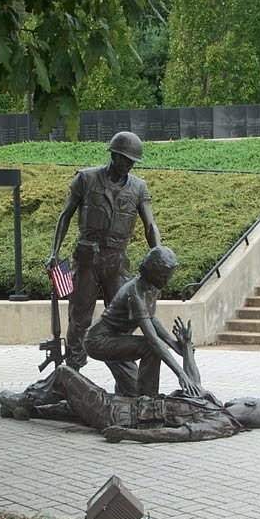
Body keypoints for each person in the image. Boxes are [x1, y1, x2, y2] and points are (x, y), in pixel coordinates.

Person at [0, 318, 260, 443]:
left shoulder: (222, 423)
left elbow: (176, 435)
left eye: (245, 398)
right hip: (124, 405)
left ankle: (20, 400)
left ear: (248, 404)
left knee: (65, 375)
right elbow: (194, 382)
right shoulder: (213, 404)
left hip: (120, 417)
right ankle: (24, 410)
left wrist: (128, 435)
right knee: (67, 409)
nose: (236, 398)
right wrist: (187, 346)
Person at [48, 131, 160, 372]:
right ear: (114, 155)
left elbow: (150, 225)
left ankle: (125, 376)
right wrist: (54, 253)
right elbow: (64, 216)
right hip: (87, 259)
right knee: (79, 318)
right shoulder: (86, 179)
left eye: (132, 162)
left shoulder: (139, 187)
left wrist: (158, 254)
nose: (128, 165)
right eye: (125, 159)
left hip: (117, 261)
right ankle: (72, 373)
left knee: (122, 319)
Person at [85, 246, 197, 398]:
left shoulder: (153, 286)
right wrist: (181, 374)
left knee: (131, 392)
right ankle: (148, 402)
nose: (166, 281)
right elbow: (153, 340)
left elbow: (150, 317)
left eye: (169, 276)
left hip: (118, 339)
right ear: (151, 272)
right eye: (163, 276)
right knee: (149, 348)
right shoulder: (135, 292)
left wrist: (173, 344)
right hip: (98, 340)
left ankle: (129, 397)